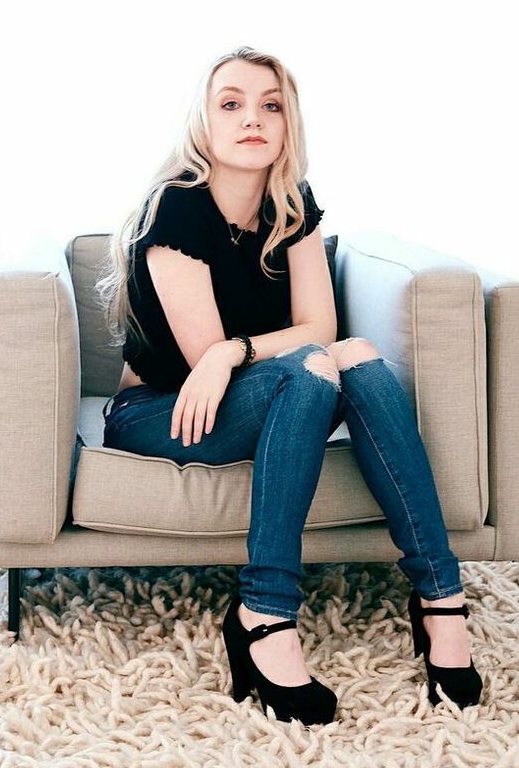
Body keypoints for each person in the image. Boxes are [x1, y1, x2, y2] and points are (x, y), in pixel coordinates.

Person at [94, 46, 483, 724]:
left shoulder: (292, 202)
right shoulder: (175, 208)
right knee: (313, 364)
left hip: (259, 390)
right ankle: (265, 612)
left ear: (287, 123)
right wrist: (231, 356)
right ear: (201, 122)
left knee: (355, 354)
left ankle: (440, 596)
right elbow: (206, 361)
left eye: (270, 105)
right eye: (231, 103)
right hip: (162, 411)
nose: (253, 118)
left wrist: (237, 350)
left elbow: (321, 327)